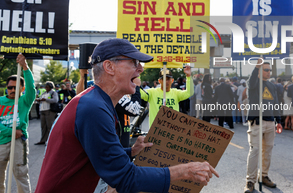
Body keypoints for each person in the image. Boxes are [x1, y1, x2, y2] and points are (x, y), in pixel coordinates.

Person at [35, 38, 217, 193]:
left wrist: (131, 151)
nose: (140, 69)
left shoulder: (95, 101)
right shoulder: (94, 108)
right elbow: (125, 177)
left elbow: (97, 152)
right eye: (133, 62)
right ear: (109, 67)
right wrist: (184, 171)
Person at [244, 59, 282, 193]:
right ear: (259, 71)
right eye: (266, 70)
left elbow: (275, 104)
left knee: (268, 151)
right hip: (257, 122)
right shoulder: (253, 84)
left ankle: (264, 176)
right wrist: (256, 68)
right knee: (254, 151)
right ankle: (250, 181)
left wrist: (278, 121)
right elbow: (251, 82)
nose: (268, 72)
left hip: (270, 122)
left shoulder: (272, 86)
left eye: (270, 70)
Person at [0, 54, 36, 193]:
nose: (13, 90)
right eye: (10, 87)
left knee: (21, 174)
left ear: (22, 88)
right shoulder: (0, 101)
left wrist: (25, 67)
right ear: (6, 88)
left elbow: (32, 89)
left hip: (19, 142)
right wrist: (11, 132)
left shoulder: (24, 101)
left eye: (16, 87)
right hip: (2, 141)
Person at [34, 81, 58, 145]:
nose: (46, 88)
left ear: (51, 87)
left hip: (49, 111)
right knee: (43, 126)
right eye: (46, 87)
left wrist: (46, 100)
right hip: (42, 110)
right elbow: (41, 100)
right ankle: (43, 140)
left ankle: (52, 141)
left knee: (49, 126)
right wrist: (39, 100)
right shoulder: (44, 93)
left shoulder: (53, 92)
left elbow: (55, 100)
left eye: (48, 87)